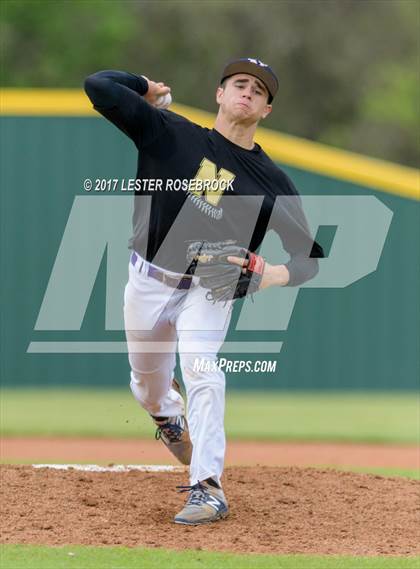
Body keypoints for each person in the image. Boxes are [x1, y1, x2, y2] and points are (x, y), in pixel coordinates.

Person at [84, 57, 323, 525]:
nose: (248, 92)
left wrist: (269, 273)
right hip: (148, 278)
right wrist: (145, 87)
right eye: (239, 83)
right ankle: (166, 414)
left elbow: (308, 257)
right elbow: (99, 86)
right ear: (219, 94)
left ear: (266, 111)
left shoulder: (271, 182)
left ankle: (207, 487)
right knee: (148, 389)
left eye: (259, 90)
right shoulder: (170, 132)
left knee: (204, 372)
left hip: (211, 288)